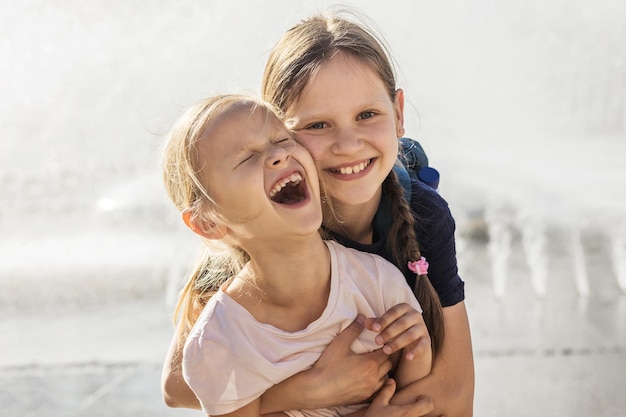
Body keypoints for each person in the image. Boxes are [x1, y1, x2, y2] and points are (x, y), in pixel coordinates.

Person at [162, 10, 474, 417]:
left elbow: (454, 395)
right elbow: (177, 385)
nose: (348, 143)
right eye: (318, 125)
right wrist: (306, 390)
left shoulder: (421, 214)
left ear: (398, 113)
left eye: (367, 115)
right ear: (276, 128)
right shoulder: (261, 227)